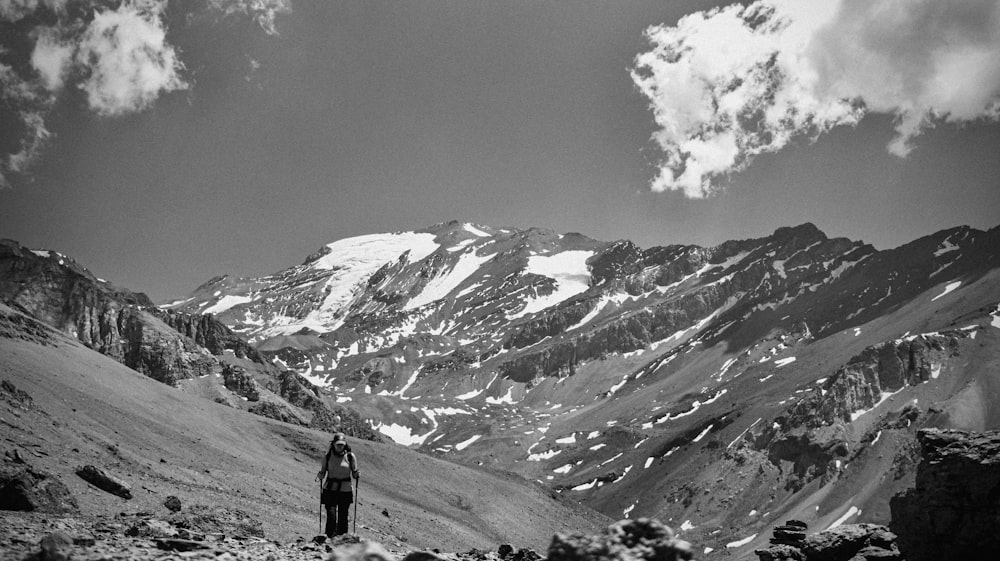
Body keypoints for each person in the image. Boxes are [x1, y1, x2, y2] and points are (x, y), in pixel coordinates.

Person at [315, 432, 359, 537]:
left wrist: (357, 474)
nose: (340, 446)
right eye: (338, 444)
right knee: (331, 516)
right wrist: (320, 475)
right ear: (333, 444)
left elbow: (354, 473)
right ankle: (329, 538)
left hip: (345, 491)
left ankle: (342, 540)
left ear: (345, 444)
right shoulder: (327, 456)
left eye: (342, 444)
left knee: (343, 517)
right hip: (330, 490)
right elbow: (323, 471)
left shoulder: (350, 456)